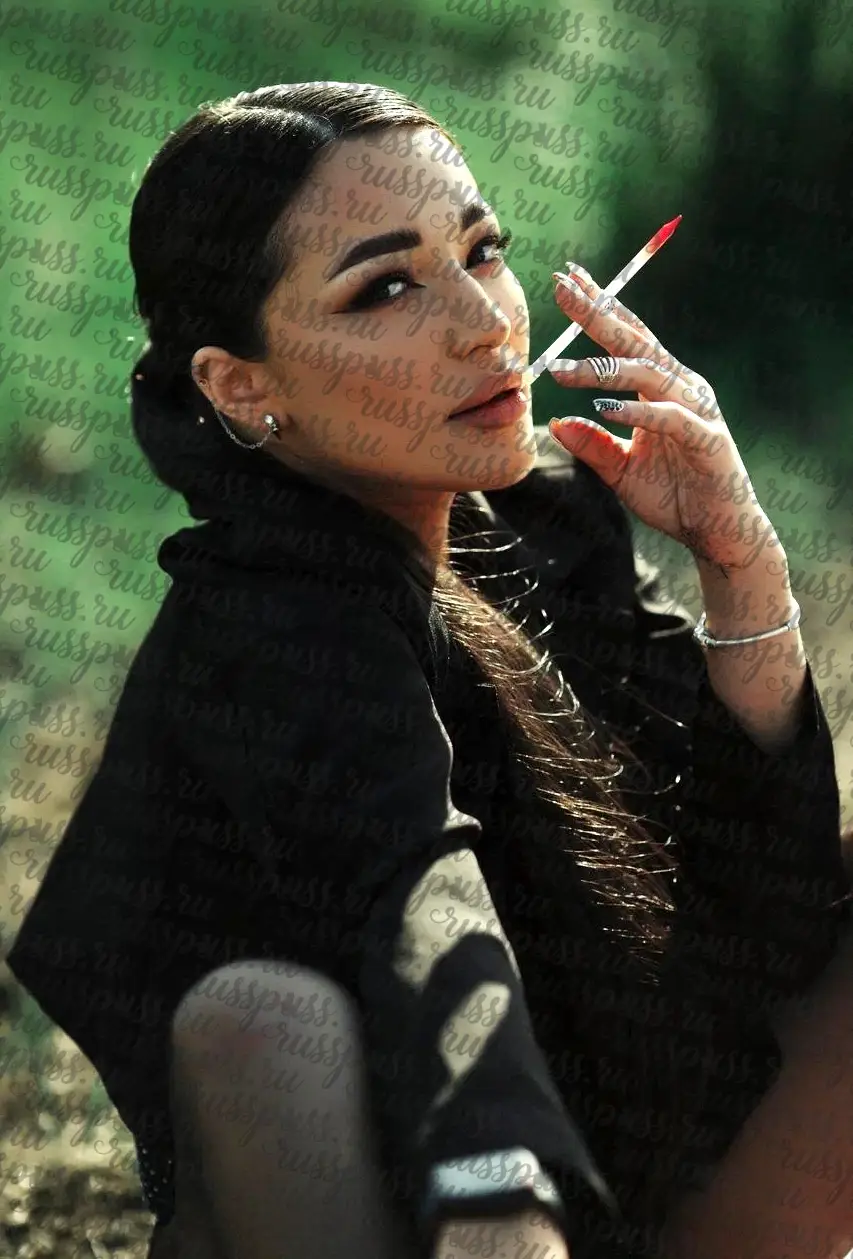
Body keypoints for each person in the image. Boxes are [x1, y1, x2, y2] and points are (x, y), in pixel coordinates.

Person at [5, 81, 852, 1259]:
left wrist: (740, 563)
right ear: (241, 386)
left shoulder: (546, 514)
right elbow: (428, 912)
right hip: (420, 1206)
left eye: (481, 251)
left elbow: (777, 905)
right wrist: (497, 1192)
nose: (482, 322)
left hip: (635, 1179)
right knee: (260, 1023)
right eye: (385, 287)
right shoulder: (268, 620)